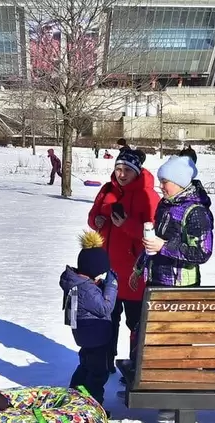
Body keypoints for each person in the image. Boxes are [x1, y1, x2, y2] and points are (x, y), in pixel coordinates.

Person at [87, 150, 159, 374]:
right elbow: (92, 217)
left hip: (133, 273)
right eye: (118, 169)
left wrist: (126, 224)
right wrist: (96, 220)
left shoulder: (148, 196)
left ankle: (135, 366)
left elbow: (152, 234)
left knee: (135, 323)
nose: (121, 174)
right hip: (108, 269)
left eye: (127, 170)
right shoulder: (107, 190)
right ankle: (106, 362)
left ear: (137, 171)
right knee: (108, 320)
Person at [133, 155, 214, 289]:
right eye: (160, 181)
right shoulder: (165, 205)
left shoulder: (196, 211)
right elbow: (155, 241)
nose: (160, 186)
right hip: (155, 280)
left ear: (179, 182)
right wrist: (139, 269)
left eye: (164, 182)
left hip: (181, 287)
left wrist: (164, 247)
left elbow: (202, 252)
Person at [60, 231, 118, 409]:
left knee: (86, 365)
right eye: (101, 272)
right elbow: (104, 307)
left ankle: (74, 395)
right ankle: (93, 408)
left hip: (87, 334)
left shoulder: (81, 283)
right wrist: (112, 285)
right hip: (95, 335)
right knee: (98, 373)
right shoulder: (87, 289)